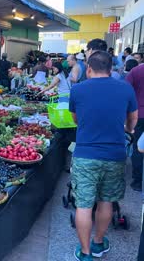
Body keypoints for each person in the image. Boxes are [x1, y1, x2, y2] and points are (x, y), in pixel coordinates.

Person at [69, 51, 138, 261]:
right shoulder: (125, 88)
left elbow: (75, 118)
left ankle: (85, 253)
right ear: (111, 68)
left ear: (88, 68)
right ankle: (98, 243)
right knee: (106, 201)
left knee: (83, 204)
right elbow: (132, 120)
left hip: (85, 155)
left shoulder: (78, 89)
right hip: (114, 154)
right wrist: (126, 127)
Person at [126, 62, 144, 191]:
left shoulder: (136, 71)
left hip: (139, 114)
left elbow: (125, 91)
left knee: (138, 147)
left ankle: (138, 181)